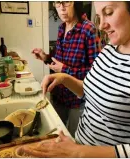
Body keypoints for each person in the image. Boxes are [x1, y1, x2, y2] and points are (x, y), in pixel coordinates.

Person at [21, 1, 130, 158]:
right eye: (99, 15)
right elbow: (91, 93)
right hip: (78, 146)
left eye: (108, 13)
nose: (101, 26)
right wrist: (64, 78)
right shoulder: (110, 49)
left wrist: (79, 152)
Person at [31, 1, 100, 136]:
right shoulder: (62, 28)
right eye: (58, 3)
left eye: (66, 2)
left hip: (78, 100)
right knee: (56, 134)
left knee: (74, 140)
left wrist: (65, 70)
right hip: (59, 95)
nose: (62, 8)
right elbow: (59, 62)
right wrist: (46, 57)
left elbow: (96, 72)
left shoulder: (89, 29)